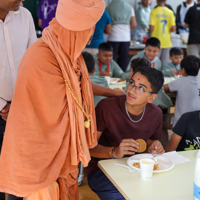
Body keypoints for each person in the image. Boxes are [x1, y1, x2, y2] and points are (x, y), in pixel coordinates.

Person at [0, 0, 105, 200]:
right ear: (74, 32)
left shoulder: (63, 53)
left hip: (48, 152)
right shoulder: (42, 58)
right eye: (87, 30)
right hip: (37, 156)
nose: (90, 37)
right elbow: (50, 120)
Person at [86, 66, 165, 200]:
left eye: (141, 88)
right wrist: (114, 152)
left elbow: (151, 141)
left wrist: (155, 145)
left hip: (136, 170)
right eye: (132, 83)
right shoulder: (106, 107)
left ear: (151, 98)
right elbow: (87, 148)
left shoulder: (156, 114)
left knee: (160, 191)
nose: (132, 90)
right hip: (102, 171)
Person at [0, 0, 37, 199]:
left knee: (20, 176)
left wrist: (22, 102)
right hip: (4, 110)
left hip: (24, 110)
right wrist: (3, 105)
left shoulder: (25, 16)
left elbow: (34, 61)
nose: (22, 0)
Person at [164, 56, 200, 128]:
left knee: (160, 120)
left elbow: (163, 88)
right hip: (196, 123)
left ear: (183, 70)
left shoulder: (181, 81)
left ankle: (169, 139)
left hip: (179, 124)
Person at [106, 0, 137, 71]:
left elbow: (107, 24)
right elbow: (134, 24)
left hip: (113, 37)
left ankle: (112, 78)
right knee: (123, 61)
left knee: (111, 61)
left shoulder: (109, 7)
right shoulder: (129, 7)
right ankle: (122, 79)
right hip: (125, 38)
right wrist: (125, 29)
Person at [149, 0, 176, 66]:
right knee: (165, 64)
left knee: (154, 64)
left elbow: (151, 28)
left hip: (156, 42)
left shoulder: (154, 11)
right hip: (167, 41)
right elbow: (173, 28)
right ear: (165, 1)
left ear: (156, 1)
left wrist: (149, 30)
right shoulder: (170, 12)